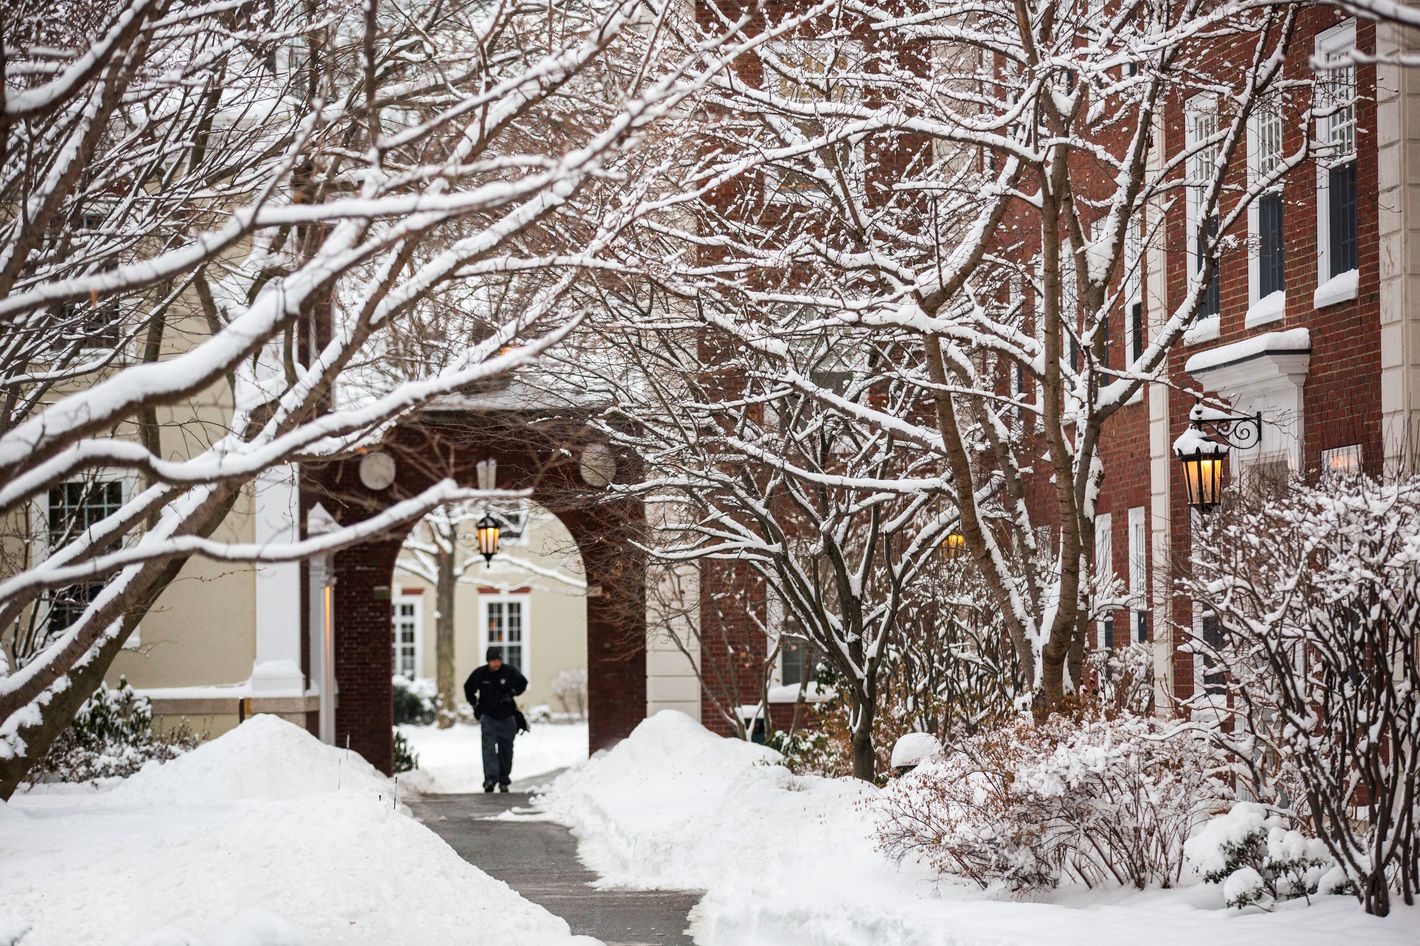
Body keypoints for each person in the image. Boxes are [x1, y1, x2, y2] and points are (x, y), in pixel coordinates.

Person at [463, 646, 528, 792]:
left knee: (506, 750)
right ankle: (490, 780)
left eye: (498, 660)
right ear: (488, 661)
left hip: (507, 717)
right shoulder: (480, 674)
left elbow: (523, 683)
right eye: (493, 660)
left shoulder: (509, 672)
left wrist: (513, 692)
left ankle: (504, 779)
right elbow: (468, 688)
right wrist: (475, 704)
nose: (496, 663)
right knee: (489, 749)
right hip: (489, 717)